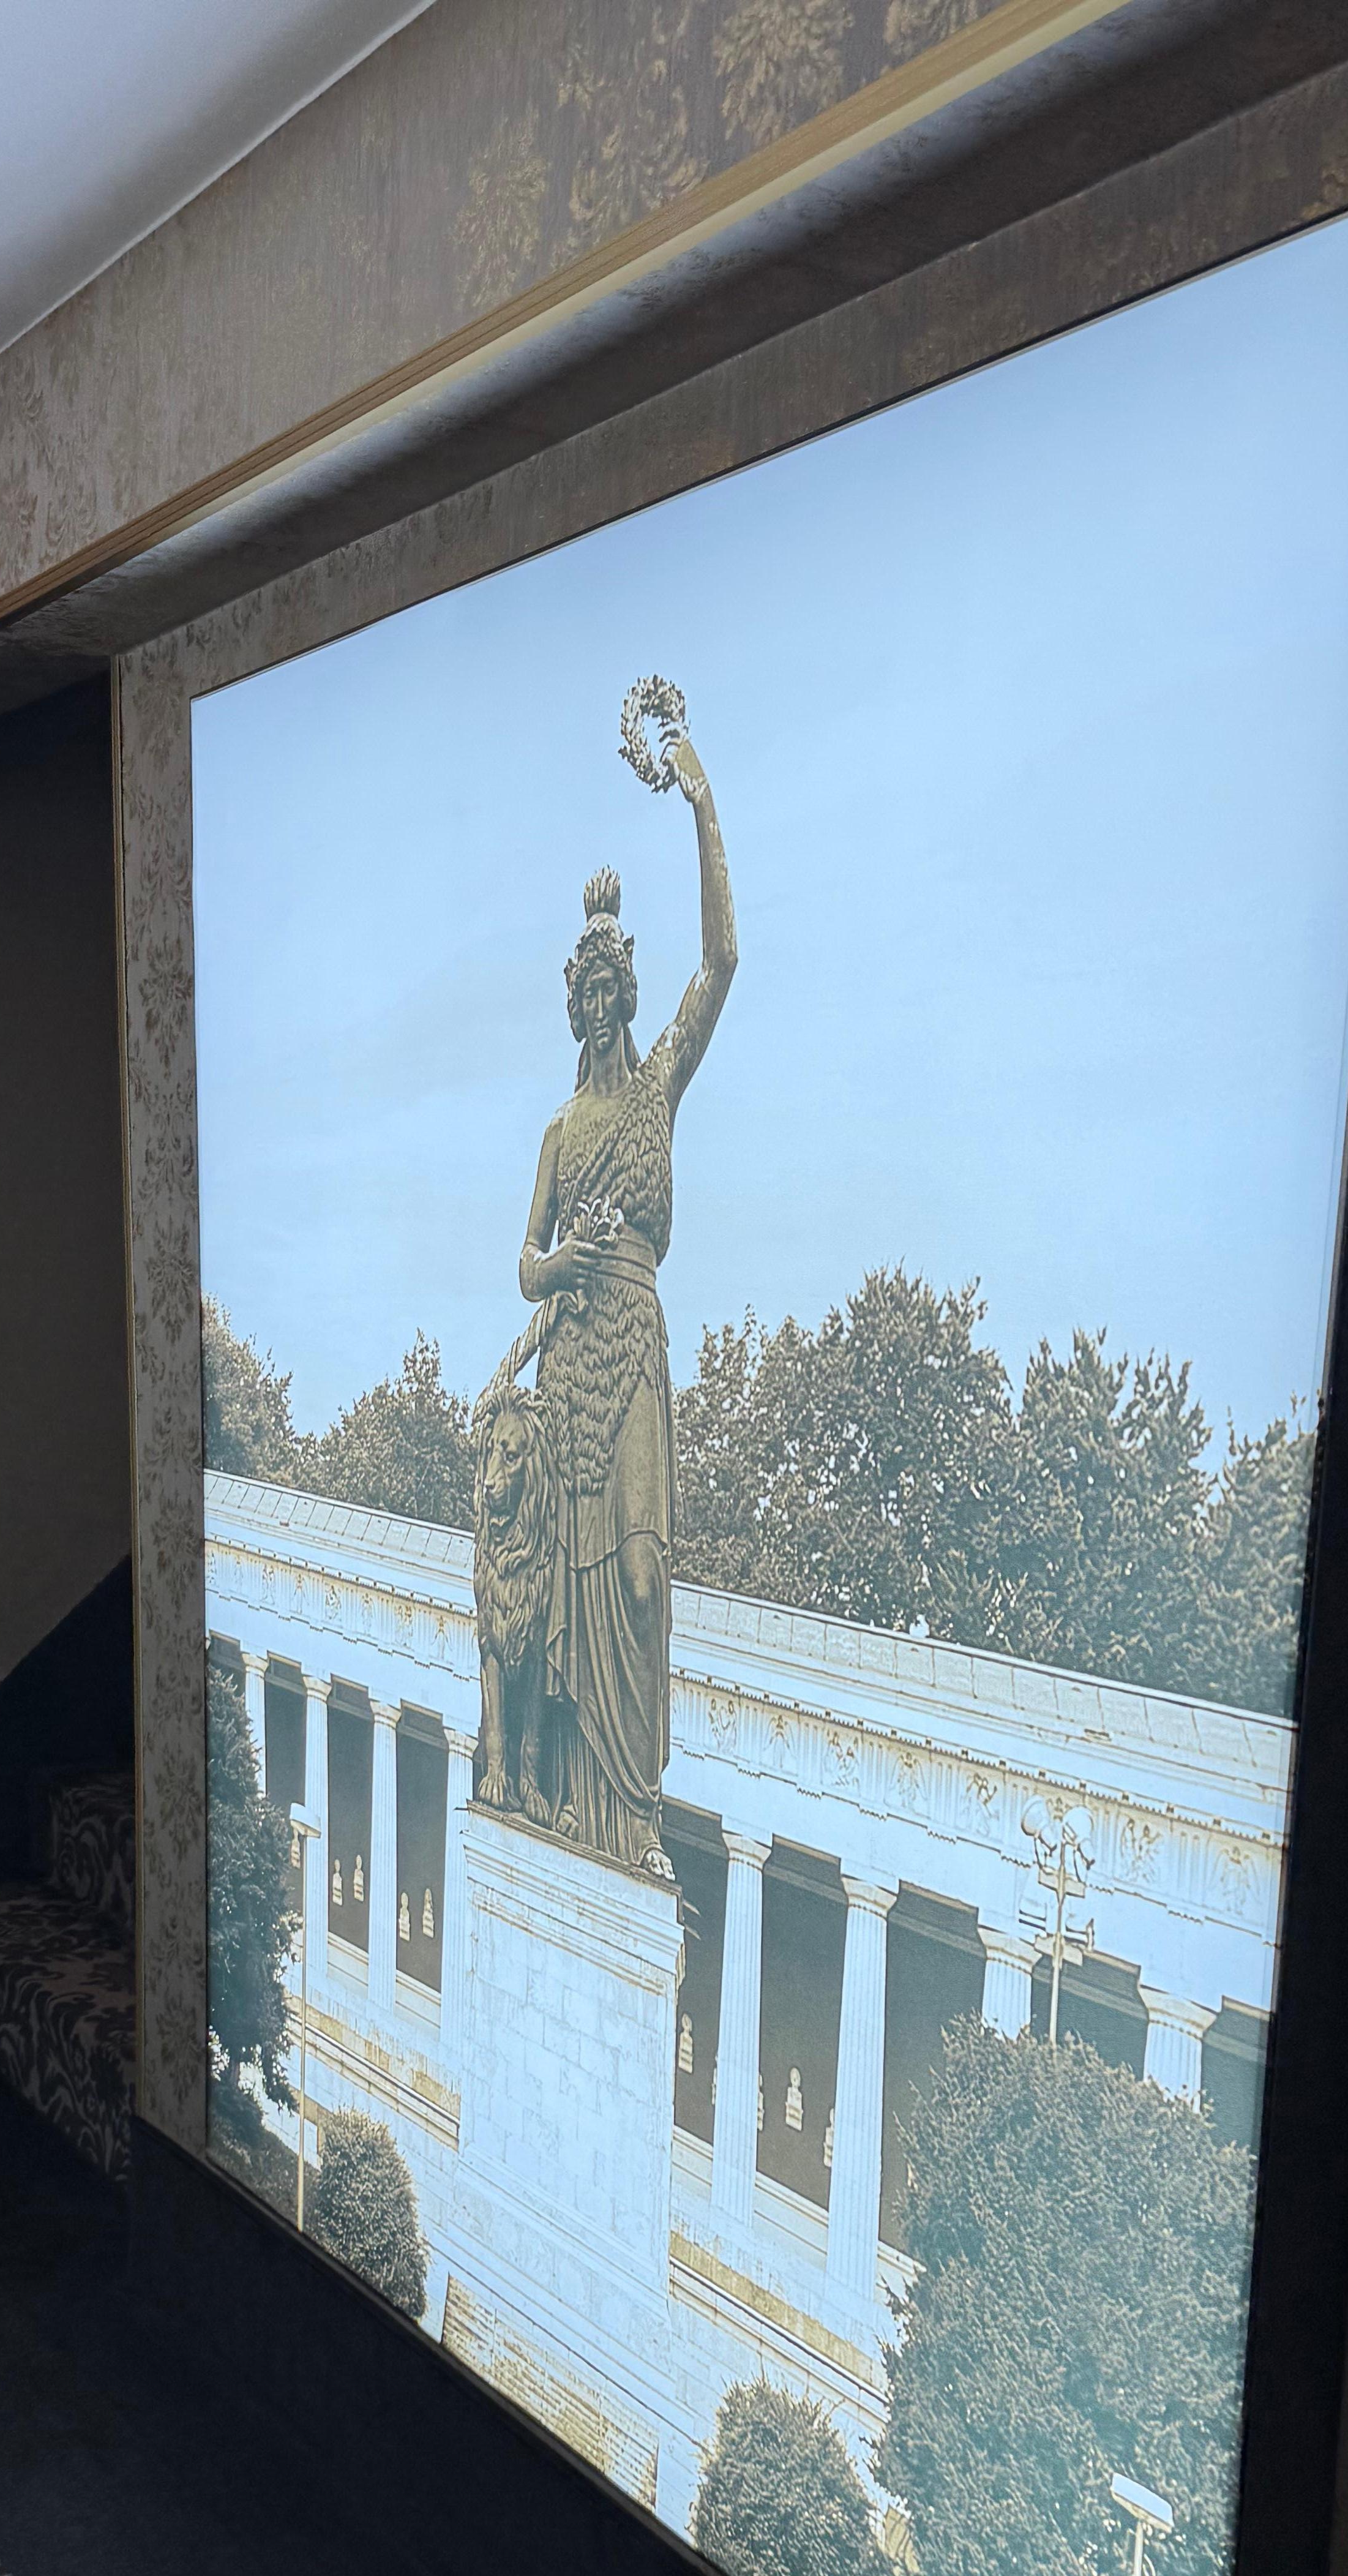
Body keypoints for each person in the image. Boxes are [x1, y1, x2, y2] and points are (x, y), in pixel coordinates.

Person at [510, 727, 735, 1871]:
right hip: (571, 1363)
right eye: (586, 993)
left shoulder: (657, 1089)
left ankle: (634, 1812)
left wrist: (700, 805)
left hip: (634, 1345)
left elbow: (723, 964)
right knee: (566, 1592)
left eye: (611, 989)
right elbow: (525, 1262)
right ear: (573, 1008)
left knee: (642, 1578)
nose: (600, 1006)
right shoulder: (559, 1129)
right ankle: (573, 1802)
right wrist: (564, 1265)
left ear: (629, 996)